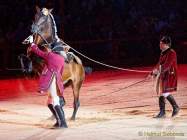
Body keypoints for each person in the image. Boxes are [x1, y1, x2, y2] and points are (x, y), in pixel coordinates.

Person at [27, 35, 68, 128]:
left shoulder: (50, 55)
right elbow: (61, 72)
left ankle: (63, 123)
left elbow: (37, 51)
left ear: (53, 49)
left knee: (55, 100)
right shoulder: (62, 59)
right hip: (57, 79)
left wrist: (31, 43)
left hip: (51, 79)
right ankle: (59, 121)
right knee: (49, 102)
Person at [152, 36, 180, 118]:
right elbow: (159, 63)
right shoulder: (163, 52)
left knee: (164, 92)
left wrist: (159, 71)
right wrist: (152, 72)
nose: (159, 45)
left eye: (161, 44)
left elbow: (168, 65)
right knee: (161, 92)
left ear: (166, 44)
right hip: (163, 75)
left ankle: (176, 107)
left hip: (170, 75)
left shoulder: (172, 52)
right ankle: (162, 112)